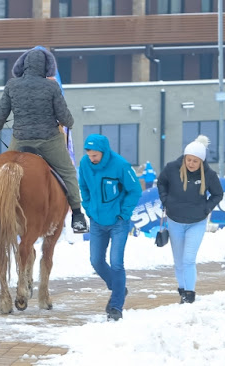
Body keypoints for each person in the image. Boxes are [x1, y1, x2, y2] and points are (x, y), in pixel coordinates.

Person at [0, 47, 88, 233]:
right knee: (68, 172)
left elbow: (1, 113)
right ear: (46, 67)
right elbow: (65, 117)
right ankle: (77, 215)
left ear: (23, 66)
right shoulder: (51, 86)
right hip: (49, 141)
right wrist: (70, 122)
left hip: (20, 141)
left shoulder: (12, 85)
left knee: (2, 172)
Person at [78, 134, 142, 321]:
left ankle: (116, 306)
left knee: (116, 263)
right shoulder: (84, 164)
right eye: (90, 155)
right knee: (96, 260)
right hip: (97, 221)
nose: (92, 159)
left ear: (104, 153)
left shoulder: (120, 165)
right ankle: (119, 288)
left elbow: (135, 190)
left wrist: (124, 213)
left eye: (95, 155)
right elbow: (83, 187)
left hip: (118, 222)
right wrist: (88, 208)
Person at [156, 135, 223, 304]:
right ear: (184, 158)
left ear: (201, 161)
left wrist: (206, 208)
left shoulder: (209, 175)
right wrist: (165, 200)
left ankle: (190, 293)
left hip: (197, 222)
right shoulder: (172, 168)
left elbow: (218, 194)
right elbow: (161, 183)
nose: (191, 164)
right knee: (178, 260)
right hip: (175, 220)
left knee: (188, 259)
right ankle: (182, 289)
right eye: (189, 160)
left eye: (195, 161)